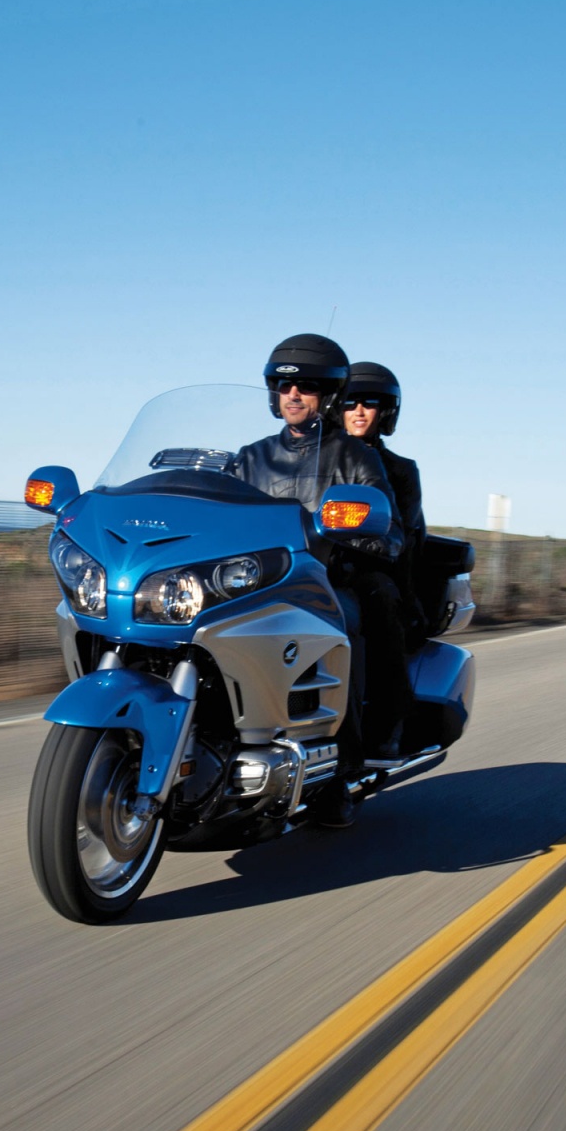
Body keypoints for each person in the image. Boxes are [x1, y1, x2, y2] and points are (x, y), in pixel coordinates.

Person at [233, 333, 404, 827]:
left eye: (306, 387)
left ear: (328, 395)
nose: (293, 395)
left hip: (322, 582)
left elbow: (391, 533)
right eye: (283, 385)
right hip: (252, 582)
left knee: (340, 630)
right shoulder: (249, 458)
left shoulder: (355, 457)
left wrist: (345, 533)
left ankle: (338, 774)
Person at [341, 361, 427, 758]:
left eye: (369, 404)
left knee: (376, 596)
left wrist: (410, 599)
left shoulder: (400, 471)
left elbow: (403, 539)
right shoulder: (313, 458)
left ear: (386, 412)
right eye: (349, 402)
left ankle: (387, 721)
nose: (358, 411)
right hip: (308, 563)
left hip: (371, 568)